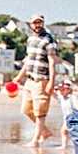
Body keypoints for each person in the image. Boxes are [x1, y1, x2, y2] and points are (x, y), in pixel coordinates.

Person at [13, 14, 57, 147]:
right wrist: (19, 76)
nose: (37, 25)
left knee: (40, 112)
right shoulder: (30, 39)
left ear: (43, 23)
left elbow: (52, 62)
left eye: (39, 22)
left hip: (42, 79)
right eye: (34, 23)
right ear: (30, 24)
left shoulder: (49, 40)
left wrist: (51, 82)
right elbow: (28, 60)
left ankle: (35, 140)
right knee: (26, 110)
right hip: (29, 80)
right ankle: (45, 132)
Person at [56, 80, 77, 148]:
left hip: (72, 118)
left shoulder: (72, 98)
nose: (61, 91)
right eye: (60, 90)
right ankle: (65, 146)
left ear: (68, 90)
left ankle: (65, 146)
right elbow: (53, 93)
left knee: (65, 131)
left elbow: (77, 108)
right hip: (66, 118)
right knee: (64, 132)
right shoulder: (61, 98)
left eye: (63, 90)